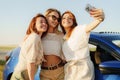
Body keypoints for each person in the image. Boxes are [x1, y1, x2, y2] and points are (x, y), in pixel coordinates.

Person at [60, 8, 105, 80]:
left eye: (70, 18)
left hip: (83, 69)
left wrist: (100, 18)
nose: (66, 19)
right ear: (61, 21)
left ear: (73, 21)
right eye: (64, 18)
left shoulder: (78, 30)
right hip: (70, 71)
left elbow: (90, 27)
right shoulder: (63, 38)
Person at [10, 13, 48, 80]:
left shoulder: (36, 37)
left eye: (45, 22)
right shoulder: (34, 38)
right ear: (34, 25)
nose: (44, 24)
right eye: (41, 22)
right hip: (22, 76)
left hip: (22, 75)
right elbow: (30, 62)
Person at [40, 8, 65, 80]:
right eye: (54, 17)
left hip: (60, 70)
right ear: (46, 16)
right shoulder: (40, 34)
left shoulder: (61, 35)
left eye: (58, 19)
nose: (56, 21)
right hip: (45, 72)